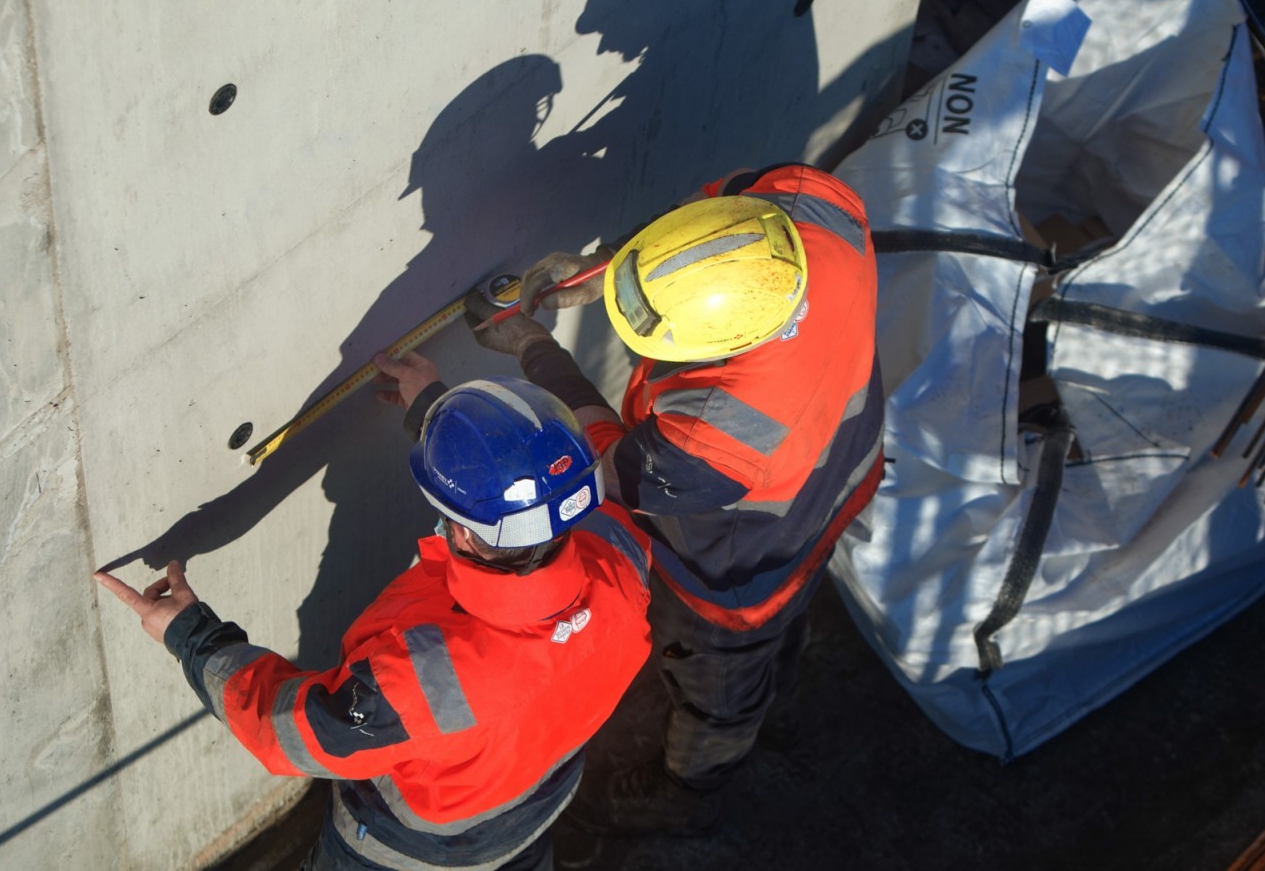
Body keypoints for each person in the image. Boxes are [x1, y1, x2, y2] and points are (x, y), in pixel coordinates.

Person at [94, 355, 652, 871]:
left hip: (412, 853)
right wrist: (440, 418)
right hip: (536, 811)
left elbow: (283, 732)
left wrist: (189, 634)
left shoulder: (421, 681)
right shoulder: (621, 561)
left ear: (463, 531)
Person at [470, 163, 884, 835]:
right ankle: (781, 682)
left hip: (742, 576)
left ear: (722, 344)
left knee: (719, 693)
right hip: (836, 485)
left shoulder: (712, 433)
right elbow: (715, 213)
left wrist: (532, 346)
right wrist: (611, 270)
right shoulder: (817, 206)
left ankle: (687, 783)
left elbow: (603, 460)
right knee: (790, 629)